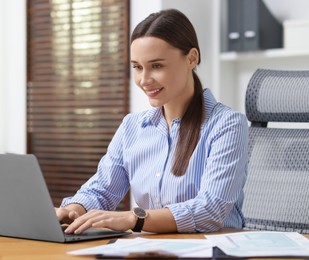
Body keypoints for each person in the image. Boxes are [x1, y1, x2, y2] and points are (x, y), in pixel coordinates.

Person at [56, 9, 248, 234]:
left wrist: (132, 219)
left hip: (210, 251)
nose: (144, 80)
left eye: (157, 66)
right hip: (151, 250)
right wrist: (72, 210)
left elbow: (210, 209)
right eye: (137, 67)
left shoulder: (226, 124)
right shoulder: (132, 127)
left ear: (191, 58)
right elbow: (102, 190)